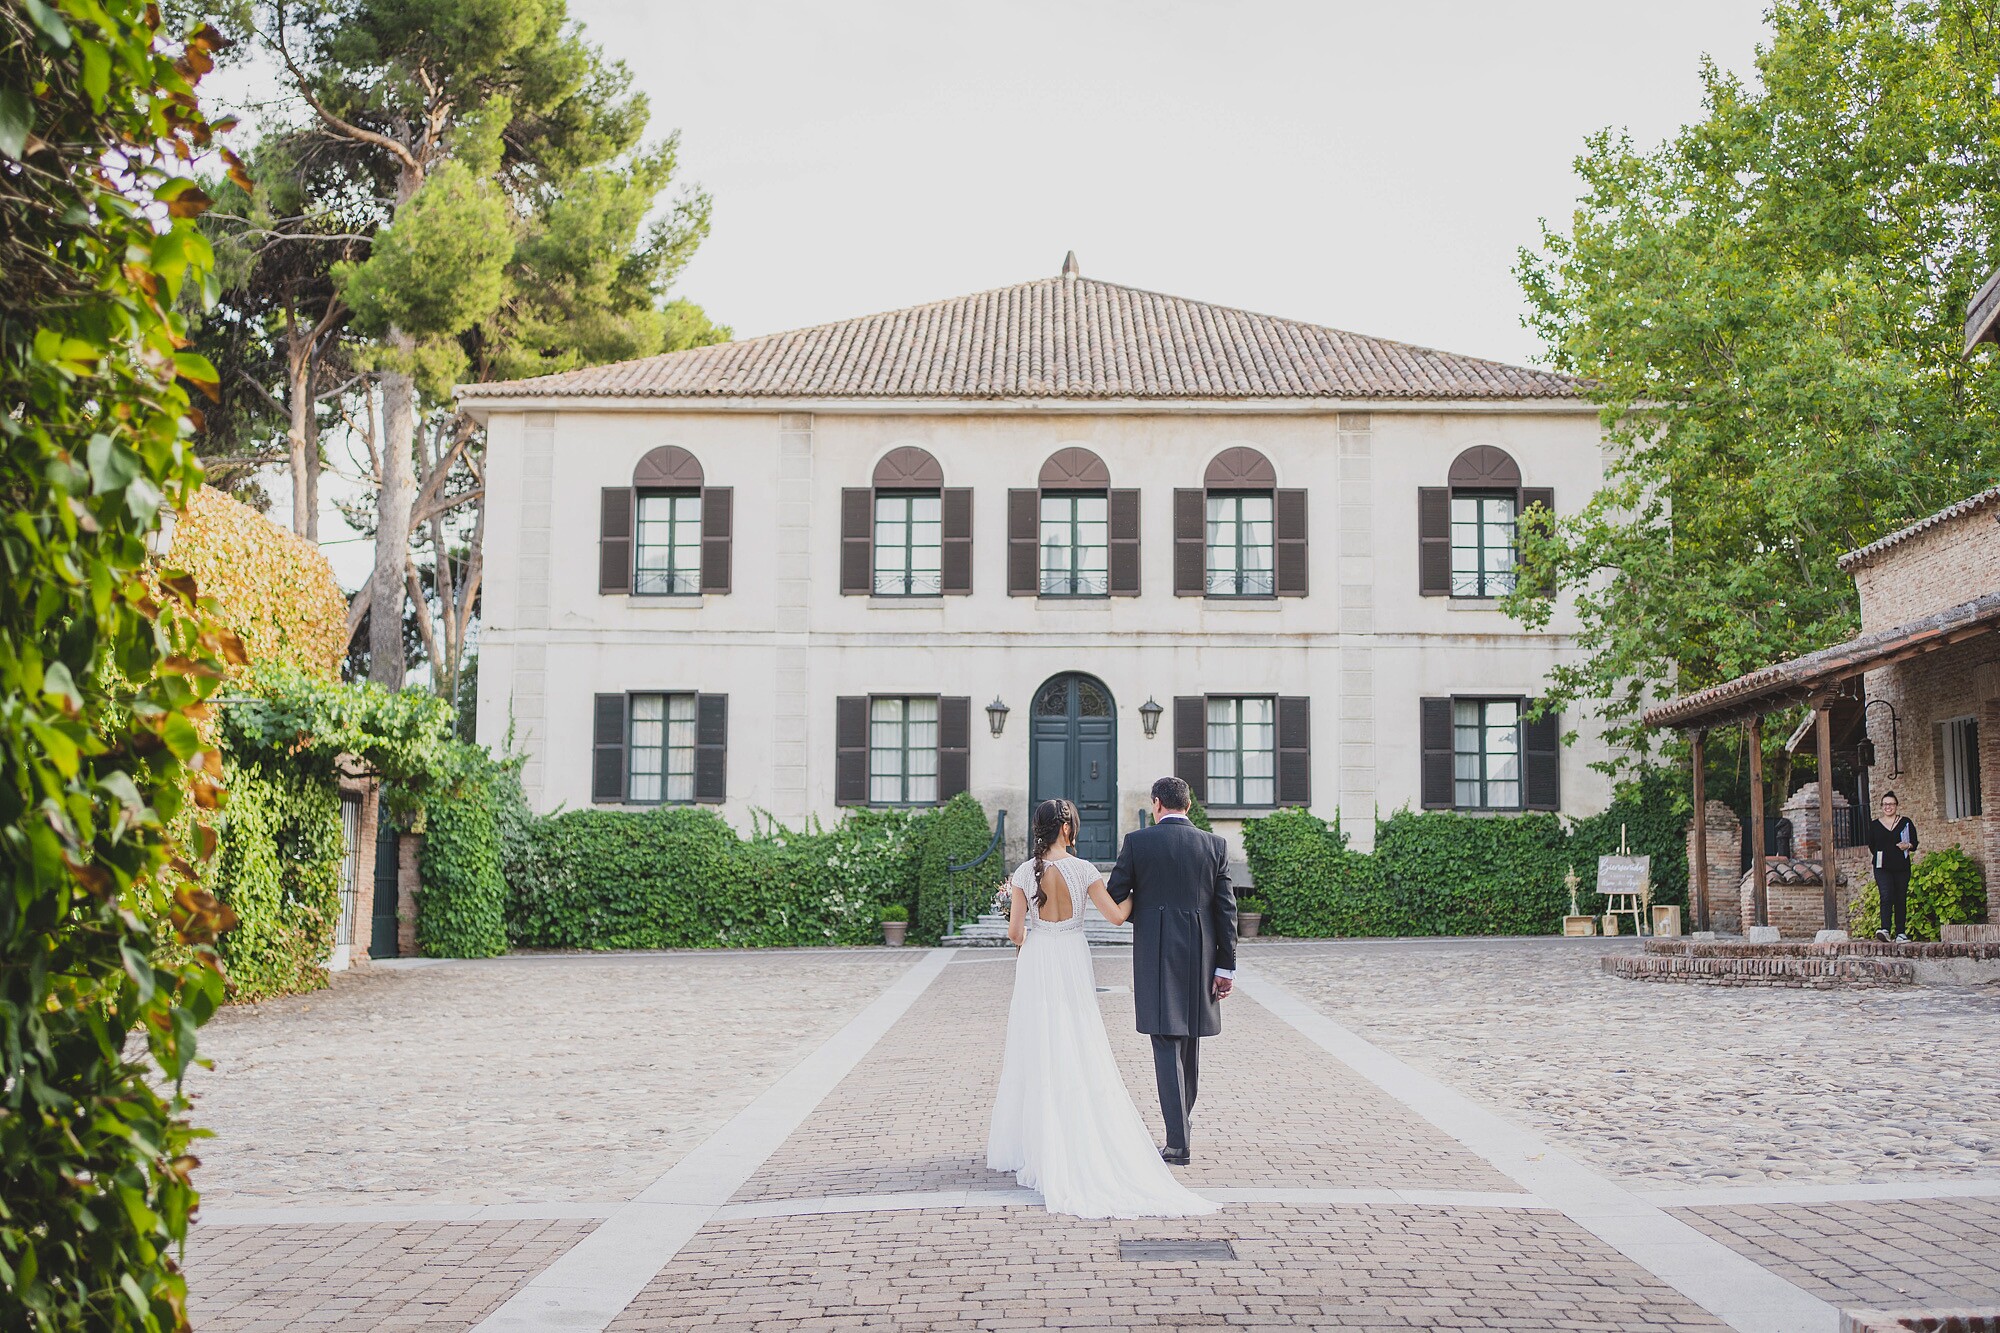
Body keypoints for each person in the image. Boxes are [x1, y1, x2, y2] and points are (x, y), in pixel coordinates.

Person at [985, 798, 1216, 1218]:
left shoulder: (1022, 873)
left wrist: (1022, 921)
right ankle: (1076, 1133)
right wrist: (1139, 896)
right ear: (1069, 829)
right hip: (1071, 957)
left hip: (1038, 960)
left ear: (1039, 828)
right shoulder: (1085, 870)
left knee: (1037, 1043)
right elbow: (1115, 915)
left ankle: (1035, 1141)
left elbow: (1016, 934)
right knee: (1077, 1039)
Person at [1105, 776, 1238, 1166]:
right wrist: (1226, 966)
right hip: (1201, 955)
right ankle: (1182, 1124)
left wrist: (1148, 912)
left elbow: (1116, 895)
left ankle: (1178, 1142)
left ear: (1157, 803)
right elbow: (1226, 910)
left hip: (1157, 952)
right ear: (1189, 806)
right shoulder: (1215, 845)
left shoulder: (1138, 842)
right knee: (1189, 1043)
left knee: (1165, 1043)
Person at [1863, 790, 1918, 942]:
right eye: (1885, 804)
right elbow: (1872, 845)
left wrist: (1907, 845)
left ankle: (1901, 932)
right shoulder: (1875, 825)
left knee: (1900, 897)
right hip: (1882, 866)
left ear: (1896, 806)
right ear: (1881, 806)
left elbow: (1915, 843)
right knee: (1886, 895)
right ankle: (1885, 929)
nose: (1888, 807)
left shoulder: (1905, 822)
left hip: (1901, 866)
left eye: (1891, 804)